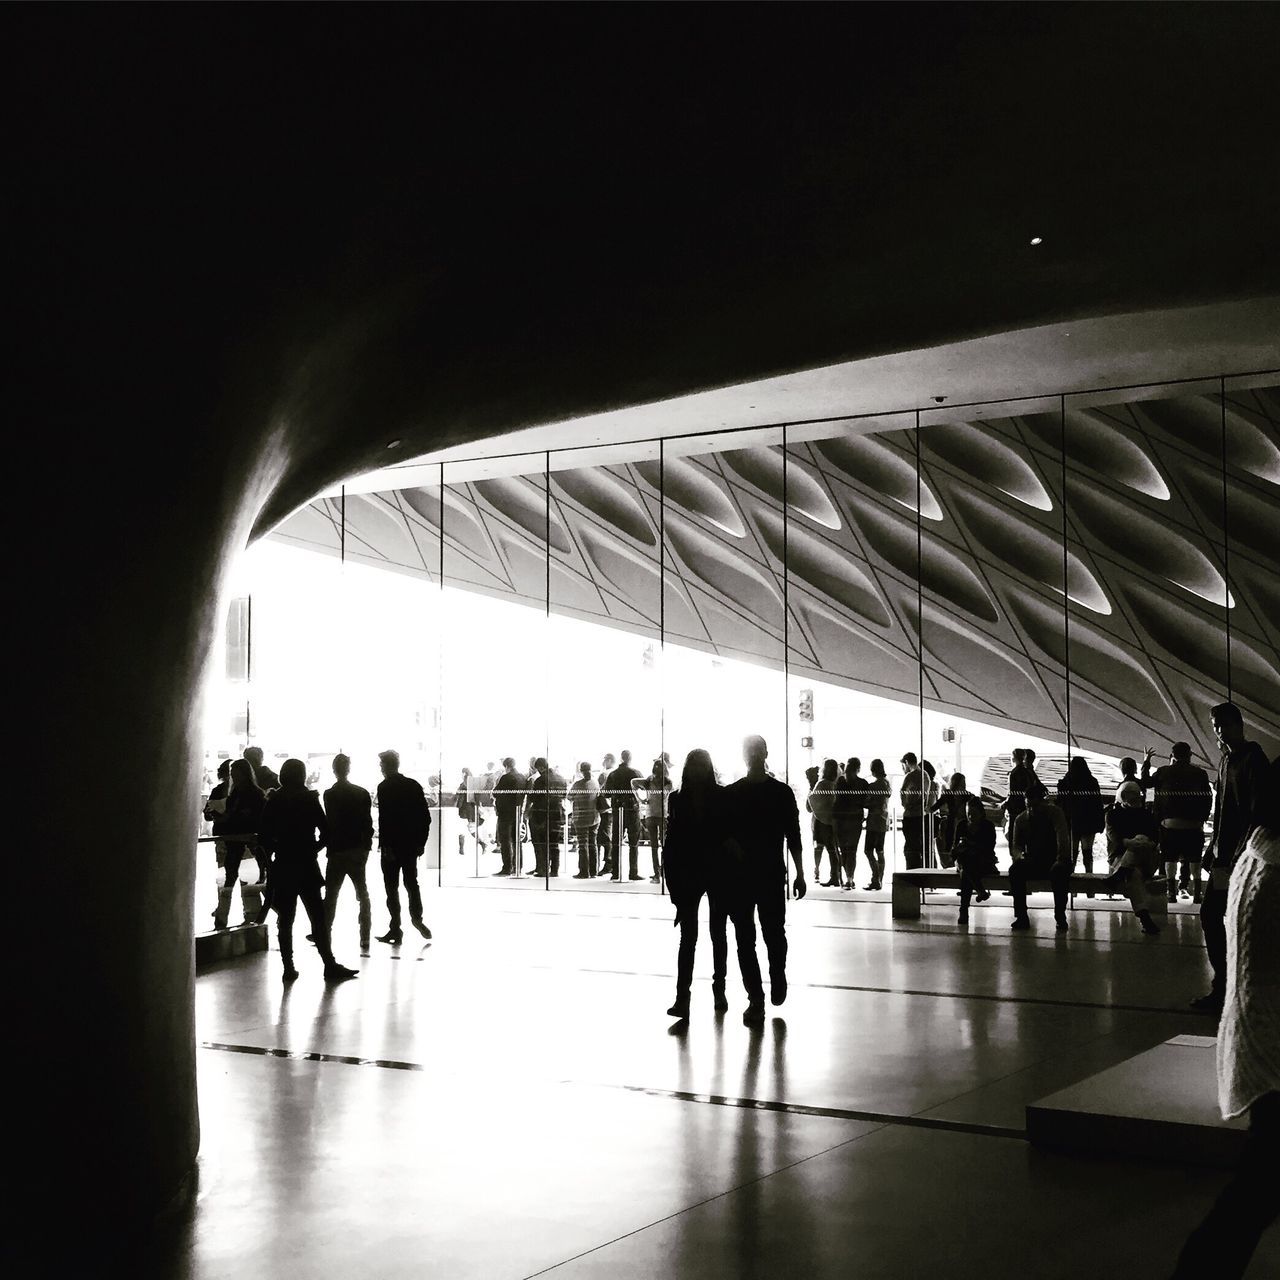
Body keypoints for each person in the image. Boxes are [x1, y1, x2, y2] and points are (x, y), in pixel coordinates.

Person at [1173, 753, 1279, 1279]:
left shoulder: (1257, 851)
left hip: (1261, 1039)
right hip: (1275, 1047)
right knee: (1255, 1194)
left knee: (1256, 1193)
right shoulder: (1275, 864)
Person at [1193, 702, 1271, 1015]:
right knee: (1215, 916)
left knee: (1221, 918)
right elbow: (1221, 811)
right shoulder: (1228, 761)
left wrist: (1238, 855)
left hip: (1240, 859)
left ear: (1237, 726)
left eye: (1222, 727)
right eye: (1216, 728)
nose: (1219, 734)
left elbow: (1256, 813)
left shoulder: (1252, 761)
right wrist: (1213, 850)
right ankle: (1227, 985)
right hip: (1227, 859)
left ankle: (1229, 986)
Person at [725, 735, 805, 1027]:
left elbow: (725, 835)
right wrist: (799, 871)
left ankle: (755, 998)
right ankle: (774, 977)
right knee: (773, 931)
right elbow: (792, 834)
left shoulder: (733, 793)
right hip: (770, 871)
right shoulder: (781, 793)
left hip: (742, 874)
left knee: (746, 937)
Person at [257, 758, 357, 984]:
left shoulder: (275, 800)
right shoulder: (309, 799)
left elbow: (263, 835)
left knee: (285, 918)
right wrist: (314, 848)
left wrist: (277, 850)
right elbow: (326, 832)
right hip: (306, 864)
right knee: (317, 917)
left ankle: (288, 966)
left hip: (283, 864)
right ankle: (328, 963)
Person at [663, 749, 732, 1018]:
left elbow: (672, 843)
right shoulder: (719, 796)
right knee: (713, 934)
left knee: (696, 937)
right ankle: (714, 992)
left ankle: (687, 997)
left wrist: (675, 889)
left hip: (693, 871)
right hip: (709, 870)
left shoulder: (678, 799)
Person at [1141, 741, 1212, 904]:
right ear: (1190, 756)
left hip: (1170, 824)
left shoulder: (1163, 772)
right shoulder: (1200, 773)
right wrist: (1203, 818)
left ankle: (1171, 893)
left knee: (1170, 859)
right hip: (1193, 825)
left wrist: (1146, 762)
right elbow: (1208, 797)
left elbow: (1145, 783)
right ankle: (1197, 895)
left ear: (1172, 756)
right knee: (1195, 859)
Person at [375, 749, 433, 944]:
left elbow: (386, 821)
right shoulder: (413, 785)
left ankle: (395, 928)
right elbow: (425, 817)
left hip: (392, 847)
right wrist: (420, 843)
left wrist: (385, 846)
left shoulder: (384, 788)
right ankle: (417, 918)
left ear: (385, 766)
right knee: (411, 883)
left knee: (391, 888)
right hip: (409, 845)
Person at [322, 753, 373, 954]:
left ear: (334, 770)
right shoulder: (361, 793)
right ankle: (365, 935)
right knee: (362, 893)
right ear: (348, 769)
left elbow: (329, 824)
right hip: (357, 849)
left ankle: (325, 932)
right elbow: (367, 824)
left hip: (337, 850)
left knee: (331, 894)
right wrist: (366, 847)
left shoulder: (329, 794)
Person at [1008, 779, 1071, 932]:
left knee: (1059, 871)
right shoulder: (1021, 819)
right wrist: (1019, 857)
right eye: (1028, 806)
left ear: (1042, 802)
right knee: (1015, 870)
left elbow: (1062, 839)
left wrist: (1060, 859)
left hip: (1055, 859)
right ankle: (1021, 916)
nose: (1031, 810)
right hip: (1035, 859)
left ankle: (1060, 915)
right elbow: (1016, 846)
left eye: (1034, 806)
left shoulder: (1054, 813)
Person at [1103, 780, 1163, 935]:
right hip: (1121, 857)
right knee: (1133, 874)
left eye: (1136, 794)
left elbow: (1155, 839)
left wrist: (1140, 842)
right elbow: (1114, 837)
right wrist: (1132, 843)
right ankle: (1145, 918)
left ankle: (1121, 873)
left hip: (1147, 858)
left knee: (1140, 840)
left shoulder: (1147, 814)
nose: (1134, 797)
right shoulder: (1112, 814)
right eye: (1130, 794)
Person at [223, 757, 269, 920]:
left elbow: (258, 818)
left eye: (235, 774)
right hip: (245, 840)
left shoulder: (241, 794)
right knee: (248, 878)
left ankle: (229, 915)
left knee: (238, 876)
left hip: (246, 839)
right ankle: (255, 915)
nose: (233, 777)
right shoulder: (248, 793)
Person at [1056, 756, 1105, 897]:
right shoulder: (1092, 781)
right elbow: (1097, 803)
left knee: (1072, 854)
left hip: (1071, 820)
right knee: (1087, 853)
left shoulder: (1066, 781)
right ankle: (1090, 887)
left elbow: (1061, 802)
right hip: (1088, 821)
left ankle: (1073, 889)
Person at [953, 796, 997, 925]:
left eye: (974, 814)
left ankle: (963, 910)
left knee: (966, 869)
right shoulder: (962, 825)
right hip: (965, 861)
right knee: (966, 864)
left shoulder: (988, 826)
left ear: (981, 813)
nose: (971, 817)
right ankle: (980, 891)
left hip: (983, 861)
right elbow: (953, 851)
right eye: (968, 814)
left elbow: (989, 848)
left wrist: (971, 845)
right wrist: (960, 847)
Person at [606, 749, 643, 881]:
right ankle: (633, 872)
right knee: (634, 842)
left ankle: (615, 872)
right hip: (632, 809)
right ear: (630, 758)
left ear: (621, 758)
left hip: (617, 809)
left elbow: (606, 793)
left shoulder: (613, 774)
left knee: (616, 842)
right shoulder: (635, 773)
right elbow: (644, 788)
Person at [527, 757, 567, 876]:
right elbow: (564, 795)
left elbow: (534, 798)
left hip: (542, 814)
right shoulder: (562, 779)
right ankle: (555, 870)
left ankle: (543, 869)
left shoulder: (541, 780)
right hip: (558, 814)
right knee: (554, 843)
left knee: (542, 843)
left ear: (540, 767)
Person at [636, 757, 672, 883]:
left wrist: (640, 799)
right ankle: (662, 871)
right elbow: (664, 796)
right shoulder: (668, 782)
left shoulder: (649, 781)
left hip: (651, 815)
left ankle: (657, 874)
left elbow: (633, 782)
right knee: (664, 845)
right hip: (662, 815)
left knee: (654, 846)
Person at [833, 757, 867, 892]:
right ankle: (850, 878)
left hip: (840, 818)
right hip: (855, 819)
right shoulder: (863, 783)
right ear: (858, 768)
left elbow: (836, 800)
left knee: (843, 850)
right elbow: (865, 801)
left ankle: (845, 876)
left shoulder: (840, 781)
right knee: (852, 850)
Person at [490, 757, 526, 876]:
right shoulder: (522, 777)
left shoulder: (506, 777)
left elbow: (496, 792)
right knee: (517, 840)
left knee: (505, 840)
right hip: (517, 811)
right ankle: (518, 866)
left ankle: (507, 867)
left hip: (505, 812)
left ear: (506, 766)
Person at [808, 758, 841, 886]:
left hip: (821, 820)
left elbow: (813, 801)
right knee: (833, 849)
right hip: (832, 820)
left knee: (820, 847)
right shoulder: (836, 783)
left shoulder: (822, 784)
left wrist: (810, 790)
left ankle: (826, 874)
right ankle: (835, 876)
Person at [862, 759, 890, 890]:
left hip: (873, 820)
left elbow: (867, 803)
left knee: (868, 850)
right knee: (880, 850)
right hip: (883, 820)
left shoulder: (873, 786)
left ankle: (876, 877)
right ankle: (880, 879)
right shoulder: (886, 784)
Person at [933, 770, 971, 865]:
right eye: (963, 783)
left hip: (955, 824)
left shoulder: (950, 794)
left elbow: (937, 807)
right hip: (956, 823)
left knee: (950, 849)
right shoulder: (967, 795)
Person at [569, 762, 600, 878]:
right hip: (594, 817)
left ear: (581, 770)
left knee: (583, 845)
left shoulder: (578, 784)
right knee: (593, 844)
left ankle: (584, 872)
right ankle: (593, 871)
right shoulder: (595, 782)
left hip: (581, 818)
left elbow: (569, 796)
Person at [899, 752, 927, 870]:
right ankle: (919, 870)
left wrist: (907, 805)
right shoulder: (925, 775)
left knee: (910, 847)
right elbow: (924, 795)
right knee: (918, 845)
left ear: (906, 763)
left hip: (911, 816)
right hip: (920, 815)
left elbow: (902, 792)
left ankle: (911, 871)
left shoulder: (910, 776)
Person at [1004, 747, 1038, 835]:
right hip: (1026, 806)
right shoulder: (1028, 772)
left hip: (1015, 808)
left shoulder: (1013, 773)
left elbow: (1012, 793)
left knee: (1014, 835)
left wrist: (1005, 803)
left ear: (1014, 758)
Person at [595, 753, 616, 876]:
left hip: (603, 809)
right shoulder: (614, 772)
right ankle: (609, 863)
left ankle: (608, 863)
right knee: (608, 835)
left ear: (608, 760)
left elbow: (598, 790)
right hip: (611, 809)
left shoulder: (604, 774)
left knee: (603, 837)